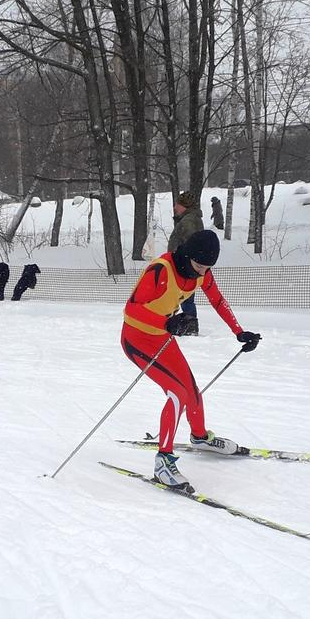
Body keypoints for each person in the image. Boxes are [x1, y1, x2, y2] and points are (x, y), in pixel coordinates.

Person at [121, 229, 261, 491]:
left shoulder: (203, 273)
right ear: (188, 255)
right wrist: (167, 322)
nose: (201, 272)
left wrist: (239, 331)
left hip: (161, 338)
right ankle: (163, 461)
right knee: (177, 392)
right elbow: (131, 309)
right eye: (198, 266)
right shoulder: (161, 270)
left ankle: (200, 438)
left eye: (207, 268)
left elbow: (218, 300)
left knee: (192, 390)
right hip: (136, 338)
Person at [166, 191, 205, 336]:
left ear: (184, 206)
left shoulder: (189, 221)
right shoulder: (190, 218)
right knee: (183, 295)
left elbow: (190, 242)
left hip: (184, 266)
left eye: (177, 204)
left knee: (185, 295)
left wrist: (184, 260)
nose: (175, 207)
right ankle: (187, 323)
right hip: (184, 264)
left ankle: (190, 325)